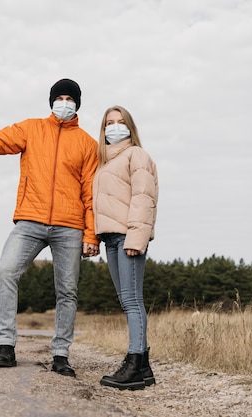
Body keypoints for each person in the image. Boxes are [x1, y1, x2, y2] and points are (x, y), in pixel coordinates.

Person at [0, 79, 99, 376]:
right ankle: (6, 346)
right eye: (59, 97)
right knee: (6, 272)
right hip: (30, 220)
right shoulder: (31, 129)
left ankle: (61, 354)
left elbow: (90, 193)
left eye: (69, 98)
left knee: (67, 291)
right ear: (51, 101)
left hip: (70, 226)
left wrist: (91, 235)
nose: (64, 102)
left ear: (77, 104)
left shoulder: (88, 144)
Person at [92, 105, 159, 390]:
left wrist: (136, 238)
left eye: (120, 122)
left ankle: (134, 364)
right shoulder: (103, 164)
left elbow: (144, 197)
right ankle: (143, 369)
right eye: (109, 123)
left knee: (132, 301)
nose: (114, 127)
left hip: (127, 238)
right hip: (110, 239)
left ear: (130, 128)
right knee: (126, 301)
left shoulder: (136, 155)